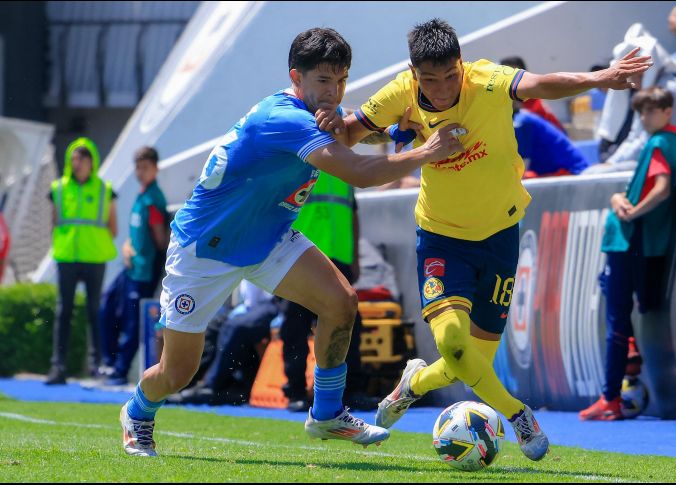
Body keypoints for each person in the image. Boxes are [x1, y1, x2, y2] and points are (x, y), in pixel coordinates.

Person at [118, 27, 464, 457]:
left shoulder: (314, 111)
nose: (333, 92)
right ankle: (136, 411)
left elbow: (352, 128)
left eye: (340, 81)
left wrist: (396, 130)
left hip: (269, 238)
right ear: (295, 79)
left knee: (341, 303)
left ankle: (326, 414)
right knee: (177, 372)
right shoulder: (283, 119)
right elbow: (357, 171)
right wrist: (425, 151)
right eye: (323, 81)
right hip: (205, 249)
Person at [323, 18, 651, 462]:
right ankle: (518, 417)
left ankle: (412, 384)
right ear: (413, 72)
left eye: (450, 76)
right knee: (455, 347)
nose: (440, 89)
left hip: (500, 235)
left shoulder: (489, 80)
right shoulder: (399, 92)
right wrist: (344, 123)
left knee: (472, 357)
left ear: (462, 65)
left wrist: (601, 78)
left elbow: (543, 83)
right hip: (440, 239)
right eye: (429, 80)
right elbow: (349, 133)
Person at [580, 87, 676, 420]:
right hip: (638, 242)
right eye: (641, 112)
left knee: (615, 318)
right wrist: (618, 199)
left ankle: (610, 397)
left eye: (651, 111)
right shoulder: (674, 143)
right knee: (608, 289)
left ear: (668, 112)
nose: (644, 117)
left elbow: (661, 187)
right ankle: (626, 360)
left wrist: (632, 212)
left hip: (629, 242)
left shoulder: (658, 144)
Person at [280, 171, 376, 412]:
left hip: (339, 258)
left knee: (349, 326)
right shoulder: (301, 159)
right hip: (301, 257)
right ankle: (295, 391)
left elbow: (352, 214)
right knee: (295, 326)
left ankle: (352, 390)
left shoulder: (344, 167)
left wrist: (354, 258)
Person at [591, 24, 676, 170]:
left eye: (637, 76)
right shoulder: (656, 91)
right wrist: (611, 163)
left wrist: (611, 166)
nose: (633, 82)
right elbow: (635, 137)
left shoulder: (669, 91)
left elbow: (645, 141)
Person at [46, 137, 118, 385]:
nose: (78, 164)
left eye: (83, 159)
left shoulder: (105, 189)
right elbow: (54, 221)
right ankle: (58, 367)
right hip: (66, 257)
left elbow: (113, 226)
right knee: (63, 311)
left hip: (94, 257)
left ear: (92, 162)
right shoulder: (58, 188)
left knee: (94, 311)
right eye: (74, 159)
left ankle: (96, 365)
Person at [100, 146, 169, 386]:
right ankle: (108, 363)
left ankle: (120, 371)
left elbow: (160, 239)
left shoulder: (153, 199)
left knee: (131, 323)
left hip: (143, 272)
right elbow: (137, 233)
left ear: (155, 168)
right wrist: (128, 245)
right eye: (138, 168)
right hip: (130, 268)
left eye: (145, 168)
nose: (140, 172)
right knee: (106, 306)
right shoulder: (141, 195)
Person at [513, 99, 589, 177]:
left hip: (571, 172)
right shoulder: (520, 119)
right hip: (551, 172)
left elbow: (520, 169)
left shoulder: (521, 122)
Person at [498, 56, 567, 133]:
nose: (511, 80)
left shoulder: (531, 103)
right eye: (506, 75)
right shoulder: (501, 100)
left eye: (514, 76)